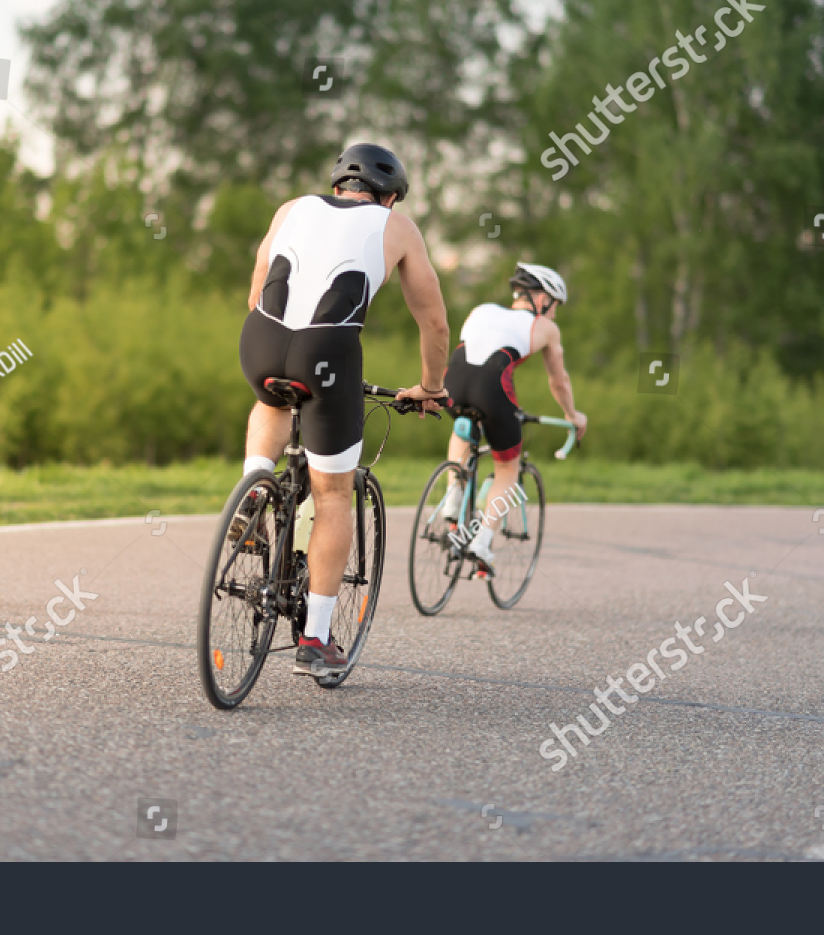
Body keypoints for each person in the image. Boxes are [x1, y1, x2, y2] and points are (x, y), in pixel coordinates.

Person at [239, 143, 450, 675]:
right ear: (391, 199)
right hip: (326, 352)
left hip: (259, 338)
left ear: (337, 186)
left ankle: (252, 491)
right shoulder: (396, 228)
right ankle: (314, 641)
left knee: (271, 398)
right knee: (334, 493)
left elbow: (258, 285)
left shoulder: (289, 208)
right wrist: (430, 386)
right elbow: (435, 323)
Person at [439, 262, 588, 573]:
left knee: (461, 429)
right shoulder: (545, 327)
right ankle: (482, 541)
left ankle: (454, 491)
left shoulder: (481, 309)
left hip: (451, 383)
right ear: (542, 298)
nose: (555, 314)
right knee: (508, 468)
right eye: (555, 305)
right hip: (491, 389)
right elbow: (559, 381)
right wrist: (573, 416)